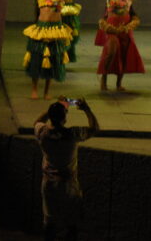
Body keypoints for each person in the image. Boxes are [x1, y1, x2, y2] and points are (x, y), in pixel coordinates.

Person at [34, 99, 98, 241]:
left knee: (49, 223)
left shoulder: (42, 133)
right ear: (65, 118)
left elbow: (37, 122)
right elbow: (94, 128)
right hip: (68, 185)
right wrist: (87, 109)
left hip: (49, 184)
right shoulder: (73, 134)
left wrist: (54, 107)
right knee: (71, 223)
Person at [24, 0, 73, 100]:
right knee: (37, 58)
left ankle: (46, 91)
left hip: (55, 29)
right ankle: (34, 88)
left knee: (52, 60)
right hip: (41, 29)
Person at [97, 0, 144, 91]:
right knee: (111, 51)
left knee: (124, 54)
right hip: (111, 27)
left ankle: (118, 83)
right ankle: (104, 78)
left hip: (125, 28)